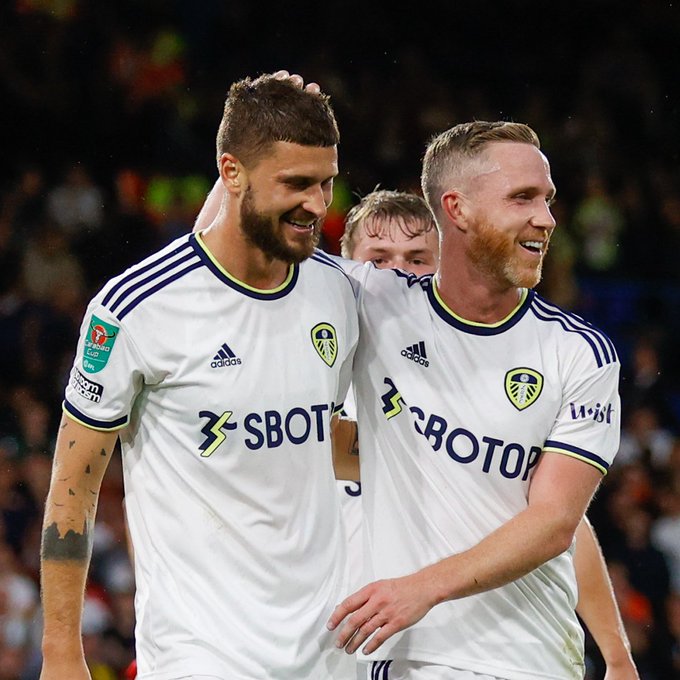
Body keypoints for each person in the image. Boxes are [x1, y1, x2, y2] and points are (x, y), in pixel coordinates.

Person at [38, 71, 359, 680]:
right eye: (295, 183)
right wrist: (60, 652)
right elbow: (72, 488)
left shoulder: (337, 291)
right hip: (200, 656)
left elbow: (330, 443)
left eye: (325, 184)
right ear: (231, 173)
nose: (318, 205)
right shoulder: (136, 310)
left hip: (327, 655)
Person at [326, 121, 635, 679]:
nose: (546, 218)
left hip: (530, 657)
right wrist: (256, 127)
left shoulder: (580, 354)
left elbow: (558, 522)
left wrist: (615, 653)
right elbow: (244, 248)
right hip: (401, 654)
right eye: (523, 198)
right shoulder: (373, 303)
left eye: (547, 199)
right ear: (457, 209)